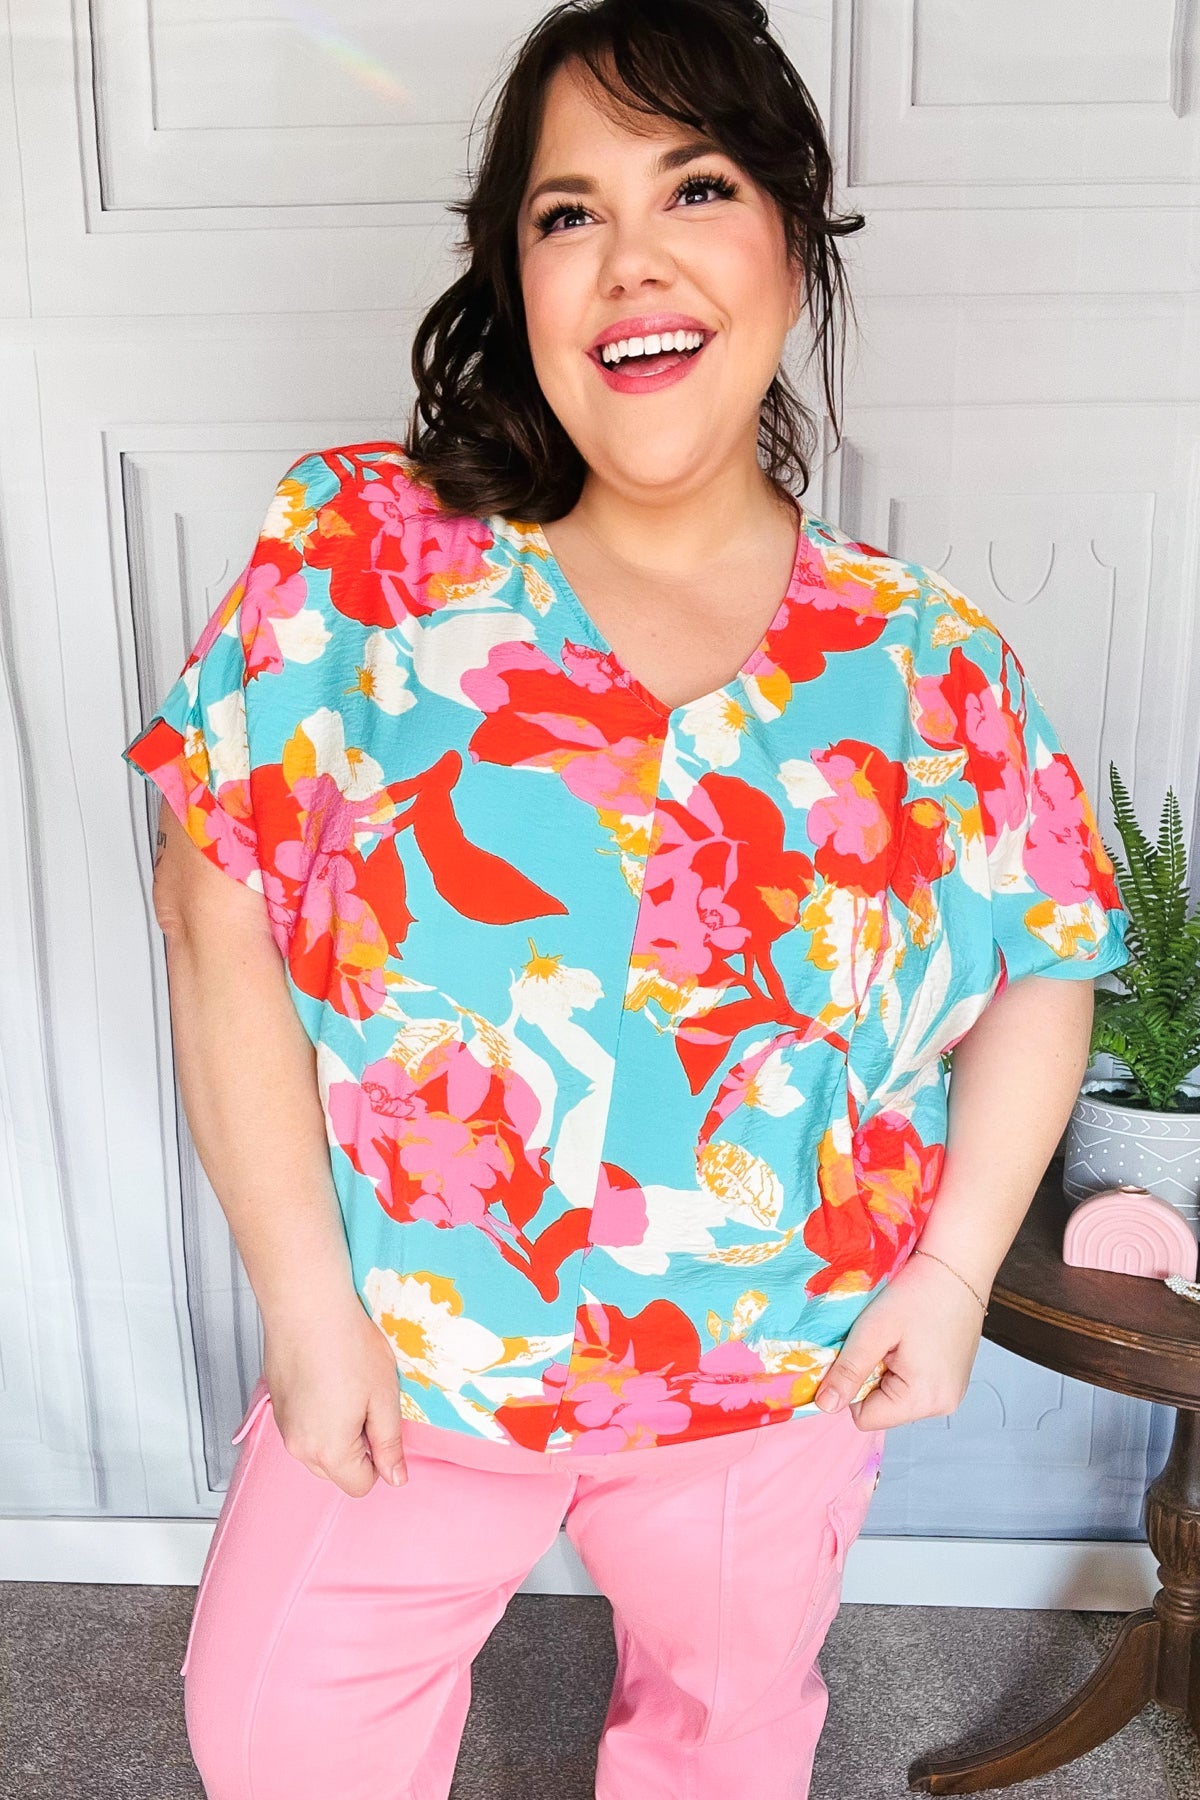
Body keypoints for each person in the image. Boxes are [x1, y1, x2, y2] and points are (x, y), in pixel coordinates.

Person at [121, 3, 1129, 1796]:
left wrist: (957, 1270)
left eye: (699, 187)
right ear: (513, 277)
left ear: (796, 244)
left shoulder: (926, 660)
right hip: (406, 1363)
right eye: (567, 212)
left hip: (775, 1384)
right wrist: (306, 1308)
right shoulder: (357, 563)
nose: (631, 258)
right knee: (279, 1740)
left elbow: (1051, 953)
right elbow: (219, 926)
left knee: (723, 1743)